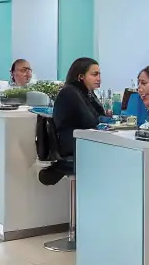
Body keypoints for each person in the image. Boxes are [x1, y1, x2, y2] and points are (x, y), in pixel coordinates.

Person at [39, 57, 107, 185]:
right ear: (81, 76)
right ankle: (61, 168)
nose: (99, 78)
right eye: (94, 74)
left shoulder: (86, 93)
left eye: (99, 74)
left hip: (84, 144)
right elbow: (91, 121)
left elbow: (100, 117)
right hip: (72, 147)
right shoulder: (70, 92)